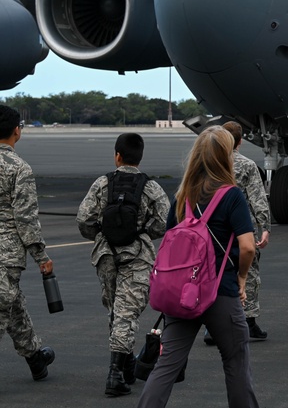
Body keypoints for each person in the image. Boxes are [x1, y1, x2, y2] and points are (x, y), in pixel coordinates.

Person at [137, 125, 259, 408]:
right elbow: (248, 246)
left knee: (166, 367)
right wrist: (241, 278)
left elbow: (168, 241)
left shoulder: (182, 197)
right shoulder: (231, 196)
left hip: (182, 294)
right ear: (225, 157)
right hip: (220, 292)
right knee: (236, 362)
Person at [77, 132, 169, 396]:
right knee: (126, 313)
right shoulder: (150, 187)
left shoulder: (102, 183)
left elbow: (83, 219)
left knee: (116, 311)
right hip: (136, 255)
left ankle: (126, 365)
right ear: (139, 157)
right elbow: (164, 220)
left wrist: (101, 234)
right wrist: (142, 233)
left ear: (117, 156)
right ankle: (115, 376)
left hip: (105, 255)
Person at [0, 105, 56, 381]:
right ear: (16, 131)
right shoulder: (19, 168)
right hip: (5, 253)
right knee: (3, 306)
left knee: (12, 305)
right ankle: (35, 357)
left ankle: (35, 357)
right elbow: (26, 219)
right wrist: (41, 256)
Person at [219, 121, 270, 341]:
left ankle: (213, 325)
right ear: (240, 141)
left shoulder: (209, 163)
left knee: (215, 271)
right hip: (242, 227)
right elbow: (258, 198)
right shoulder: (248, 165)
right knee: (248, 272)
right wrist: (264, 227)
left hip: (214, 228)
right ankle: (248, 321)